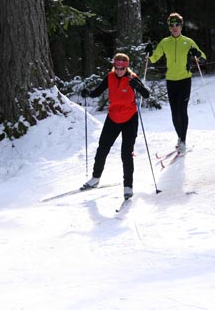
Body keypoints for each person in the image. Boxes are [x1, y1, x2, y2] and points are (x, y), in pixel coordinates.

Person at [80, 53, 150, 199]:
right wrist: (88, 93)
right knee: (103, 147)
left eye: (122, 68)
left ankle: (128, 186)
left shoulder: (132, 78)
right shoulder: (110, 77)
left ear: (126, 67)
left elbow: (146, 94)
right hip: (113, 117)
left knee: (126, 153)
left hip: (130, 118)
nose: (119, 71)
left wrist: (137, 86)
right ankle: (95, 178)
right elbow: (97, 92)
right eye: (116, 67)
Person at [146, 12, 206, 154]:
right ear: (169, 27)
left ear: (181, 26)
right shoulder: (165, 42)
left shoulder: (188, 41)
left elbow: (203, 57)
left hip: (185, 80)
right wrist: (149, 53)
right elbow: (153, 59)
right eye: (172, 25)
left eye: (177, 24)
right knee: (174, 112)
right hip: (171, 80)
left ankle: (183, 140)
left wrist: (197, 54)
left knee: (182, 109)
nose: (174, 27)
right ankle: (179, 137)